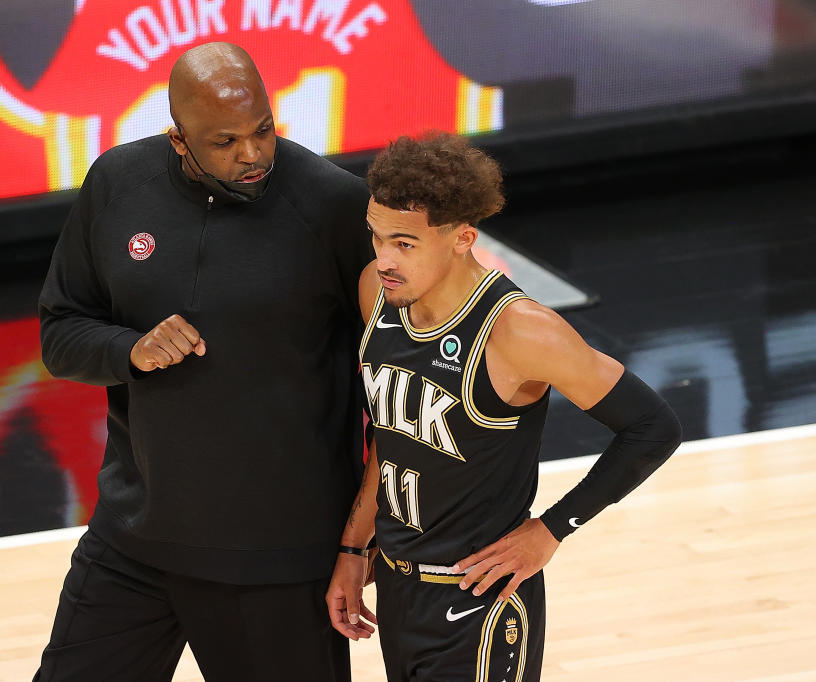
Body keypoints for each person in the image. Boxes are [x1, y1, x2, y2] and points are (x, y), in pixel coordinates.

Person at [35, 42, 372, 682]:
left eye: (263, 131)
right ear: (178, 138)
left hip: (276, 561)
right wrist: (128, 349)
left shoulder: (332, 205)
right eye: (224, 142)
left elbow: (395, 385)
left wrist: (359, 542)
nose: (251, 155)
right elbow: (62, 331)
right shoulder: (117, 183)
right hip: (134, 542)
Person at [325, 132, 682, 681]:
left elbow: (653, 427)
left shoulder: (520, 330)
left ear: (463, 238)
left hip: (479, 602)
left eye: (404, 243)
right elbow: (394, 442)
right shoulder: (379, 291)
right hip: (396, 586)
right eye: (376, 238)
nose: (384, 258)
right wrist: (354, 549)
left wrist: (552, 529)